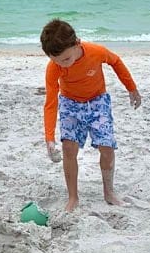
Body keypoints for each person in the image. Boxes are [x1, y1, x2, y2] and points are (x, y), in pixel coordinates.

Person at [40, 19, 142, 212]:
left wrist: (132, 88)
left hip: (97, 101)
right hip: (70, 103)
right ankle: (72, 198)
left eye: (65, 59)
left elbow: (116, 62)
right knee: (69, 149)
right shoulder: (54, 67)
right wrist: (49, 137)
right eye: (56, 61)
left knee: (107, 146)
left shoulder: (96, 51)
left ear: (76, 43)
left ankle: (109, 192)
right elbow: (51, 102)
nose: (62, 65)